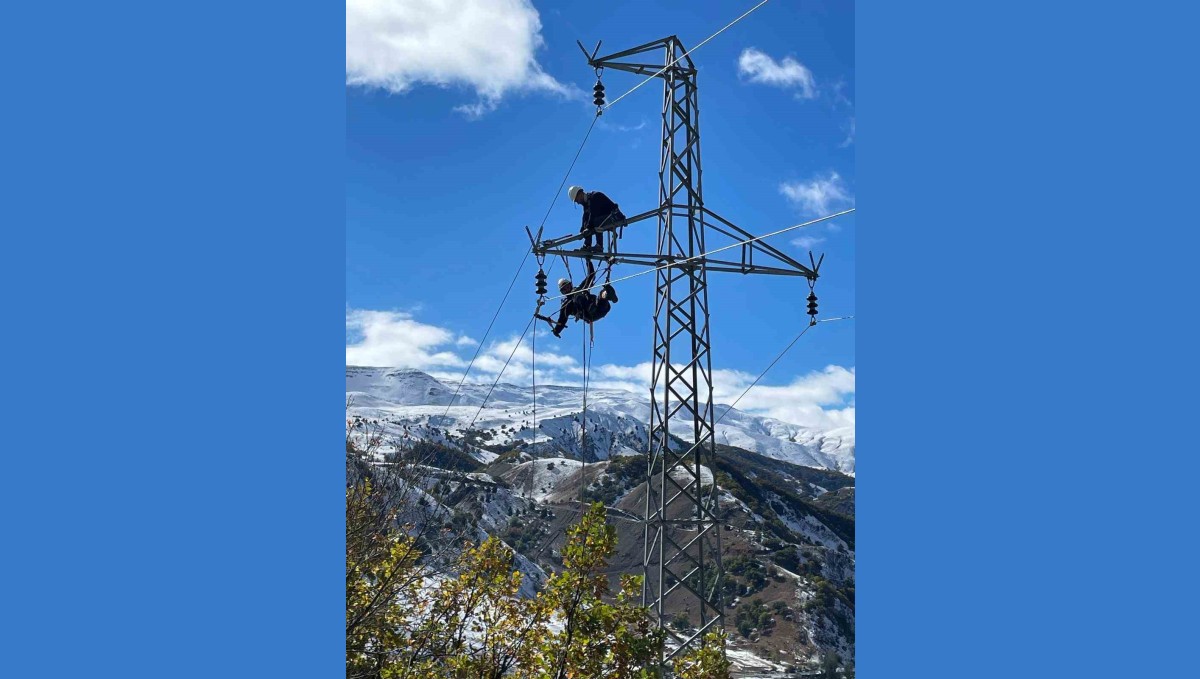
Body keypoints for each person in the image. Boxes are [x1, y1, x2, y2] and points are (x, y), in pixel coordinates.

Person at [543, 260, 618, 338]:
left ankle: (608, 294)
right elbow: (562, 318)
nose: (567, 290)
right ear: (562, 292)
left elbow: (591, 276)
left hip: (599, 308)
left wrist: (588, 260)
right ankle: (605, 295)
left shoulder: (580, 289)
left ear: (570, 285)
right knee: (577, 298)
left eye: (567, 286)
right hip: (589, 314)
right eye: (564, 289)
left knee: (601, 294)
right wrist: (557, 330)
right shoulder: (567, 304)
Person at [568, 185, 625, 253]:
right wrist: (583, 230)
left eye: (577, 200)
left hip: (615, 216)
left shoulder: (594, 197)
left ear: (580, 194)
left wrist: (588, 228)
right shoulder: (587, 204)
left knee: (595, 222)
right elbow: (586, 218)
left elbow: (593, 214)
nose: (578, 202)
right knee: (588, 226)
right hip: (606, 218)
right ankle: (587, 246)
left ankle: (599, 246)